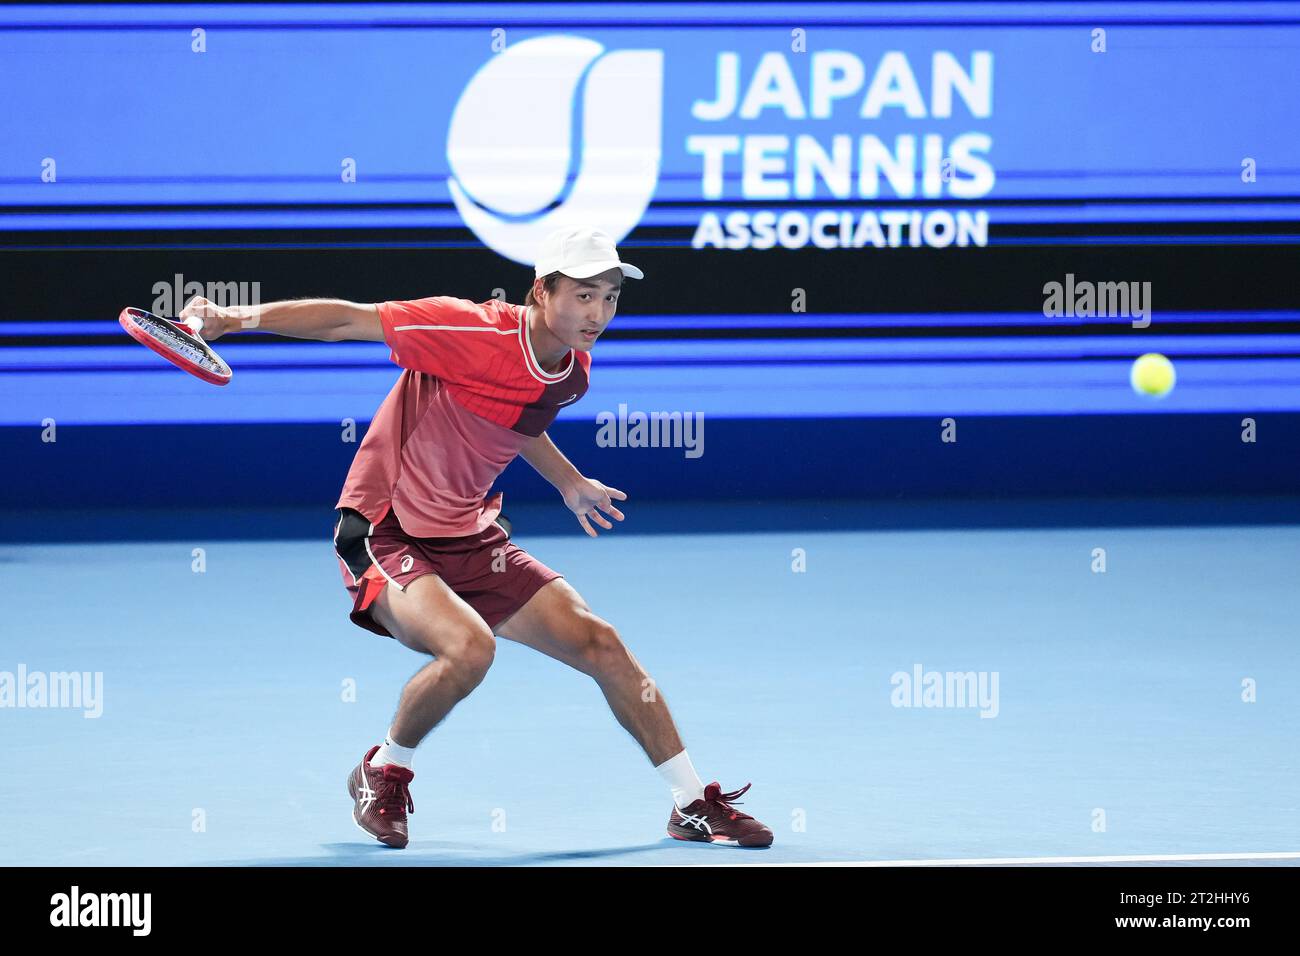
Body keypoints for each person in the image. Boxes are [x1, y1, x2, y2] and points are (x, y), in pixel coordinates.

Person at [180, 226, 773, 850]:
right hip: (388, 528)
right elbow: (347, 322)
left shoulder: (571, 371)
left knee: (601, 643)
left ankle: (691, 804)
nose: (598, 313)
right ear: (542, 291)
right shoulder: (467, 330)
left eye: (610, 297)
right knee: (468, 650)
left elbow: (516, 421)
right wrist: (232, 318)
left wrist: (570, 483)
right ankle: (383, 769)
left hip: (469, 533)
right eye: (583, 296)